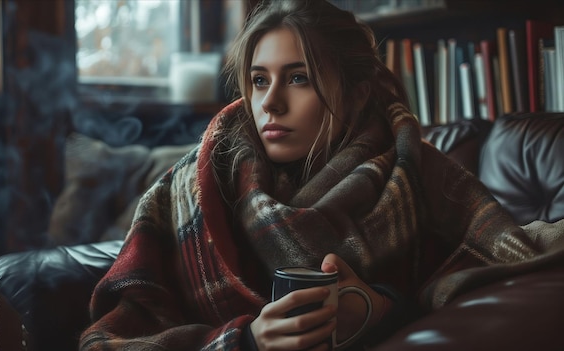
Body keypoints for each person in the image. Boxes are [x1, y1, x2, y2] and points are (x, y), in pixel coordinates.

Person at [79, 0, 564, 350]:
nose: (270, 102)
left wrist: (378, 307)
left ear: (354, 91)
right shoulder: (191, 188)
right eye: (259, 80)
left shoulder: (416, 173)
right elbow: (109, 339)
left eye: (298, 78)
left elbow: (477, 271)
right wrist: (244, 342)